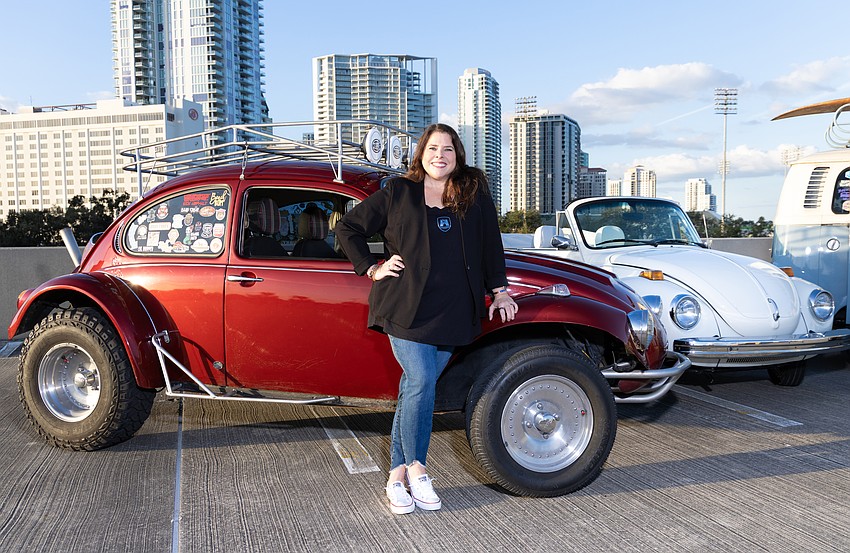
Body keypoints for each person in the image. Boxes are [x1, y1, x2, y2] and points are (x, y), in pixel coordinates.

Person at [335, 123, 518, 515]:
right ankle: (419, 467)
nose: (440, 155)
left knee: (414, 391)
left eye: (448, 149)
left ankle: (395, 474)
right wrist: (371, 267)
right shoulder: (399, 192)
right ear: (421, 154)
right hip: (405, 308)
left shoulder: (474, 193)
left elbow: (491, 245)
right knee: (420, 380)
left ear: (458, 155)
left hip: (454, 311)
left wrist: (499, 290)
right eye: (433, 148)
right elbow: (347, 227)